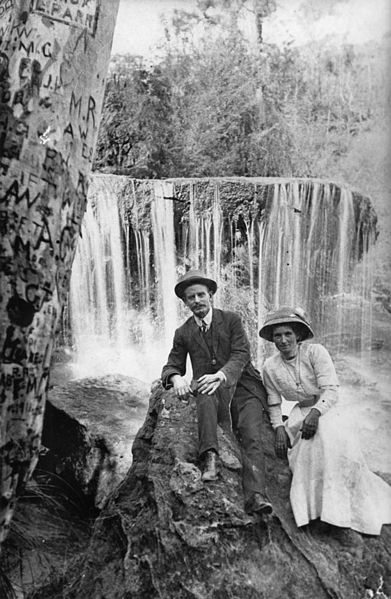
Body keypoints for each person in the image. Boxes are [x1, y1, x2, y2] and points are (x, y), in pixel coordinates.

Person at [260, 306, 391, 536]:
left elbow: (330, 390)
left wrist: (316, 413)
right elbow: (273, 402)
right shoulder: (270, 367)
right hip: (299, 414)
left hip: (328, 409)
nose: (283, 340)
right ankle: (312, 512)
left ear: (298, 335)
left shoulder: (315, 353)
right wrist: (278, 428)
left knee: (327, 438)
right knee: (304, 449)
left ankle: (337, 515)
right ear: (272, 339)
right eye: (277, 335)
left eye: (288, 334)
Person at [161, 270, 272, 515]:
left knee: (250, 431)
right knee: (203, 392)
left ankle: (256, 495)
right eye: (191, 297)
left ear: (210, 295)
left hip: (243, 385)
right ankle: (209, 456)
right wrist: (177, 377)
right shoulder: (183, 332)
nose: (197, 300)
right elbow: (171, 365)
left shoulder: (231, 320)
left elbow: (241, 353)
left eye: (201, 294)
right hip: (211, 389)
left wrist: (221, 375)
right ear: (185, 302)